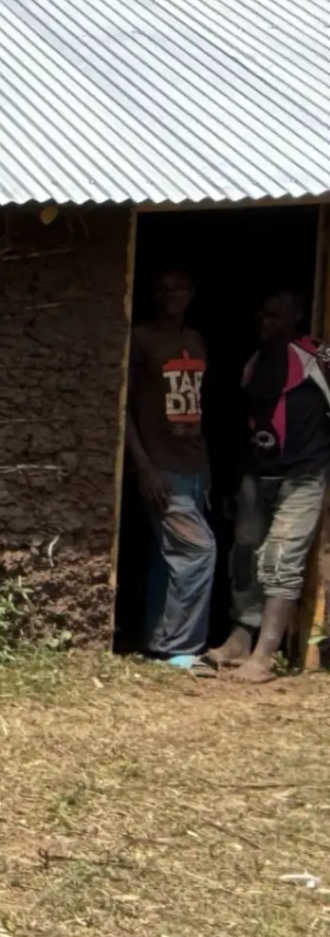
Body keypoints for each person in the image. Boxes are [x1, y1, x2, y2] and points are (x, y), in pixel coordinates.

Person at [213, 292, 329, 683]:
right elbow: (246, 422)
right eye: (262, 314)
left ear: (297, 314)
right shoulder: (255, 361)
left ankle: (264, 656)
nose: (267, 321)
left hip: (303, 474)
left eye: (276, 315)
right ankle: (241, 637)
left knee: (280, 559)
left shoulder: (316, 356)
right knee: (244, 557)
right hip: (256, 474)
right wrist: (238, 478)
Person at [125, 269, 217, 669]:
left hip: (192, 465)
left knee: (171, 558)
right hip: (160, 466)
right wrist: (143, 466)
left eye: (179, 286)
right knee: (198, 551)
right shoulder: (141, 339)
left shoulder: (194, 340)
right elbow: (122, 408)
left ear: (192, 292)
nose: (170, 294)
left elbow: (196, 407)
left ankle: (158, 642)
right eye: (162, 287)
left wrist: (207, 468)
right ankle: (179, 649)